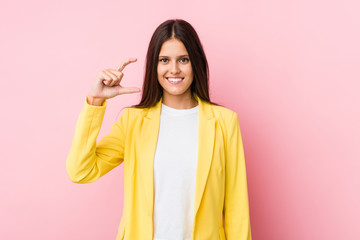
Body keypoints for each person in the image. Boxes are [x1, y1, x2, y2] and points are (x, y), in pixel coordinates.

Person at [66, 19, 252, 240]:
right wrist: (95, 101)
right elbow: (80, 171)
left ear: (196, 63)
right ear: (154, 65)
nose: (174, 69)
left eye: (183, 59)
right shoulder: (133, 121)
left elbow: (236, 207)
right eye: (164, 60)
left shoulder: (224, 122)